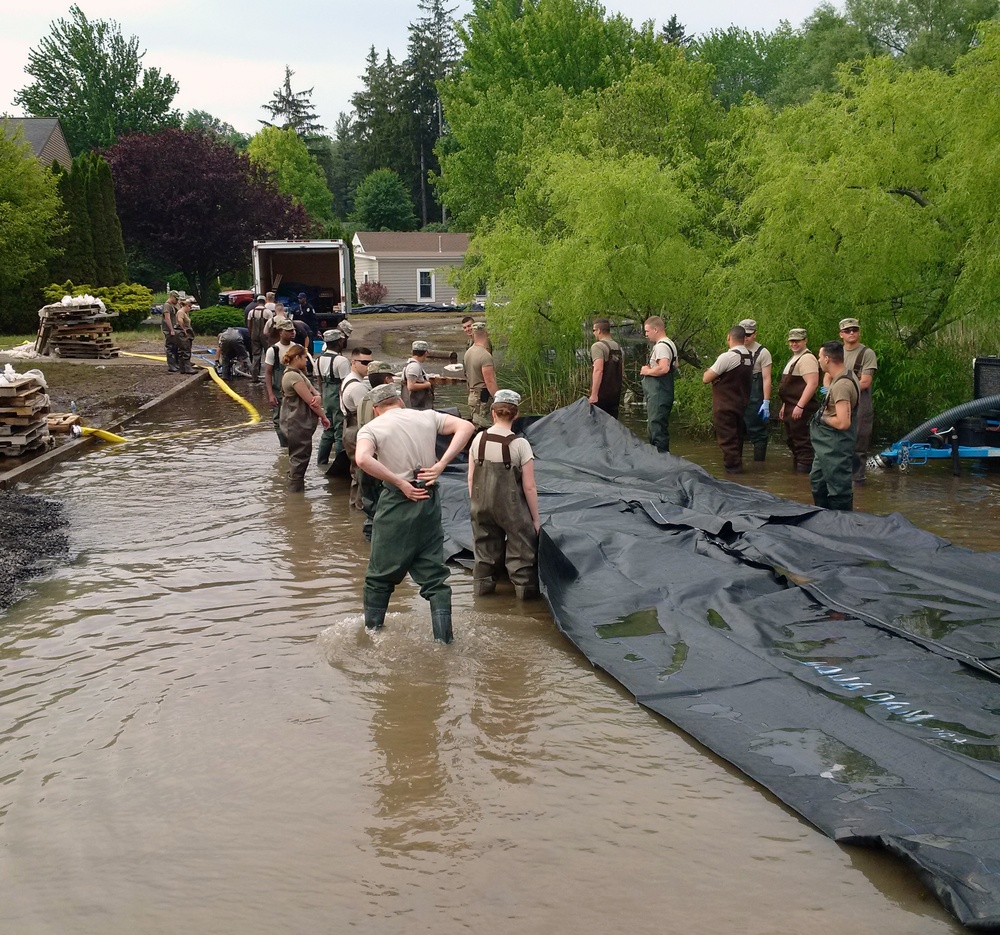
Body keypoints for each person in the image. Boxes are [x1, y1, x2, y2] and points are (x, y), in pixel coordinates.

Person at [354, 382, 476, 643]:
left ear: (376, 409)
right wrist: (442, 464)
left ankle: (371, 636)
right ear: (400, 401)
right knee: (435, 578)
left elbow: (362, 459)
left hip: (399, 501)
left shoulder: (371, 428)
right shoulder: (426, 416)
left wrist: (400, 483)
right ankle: (444, 642)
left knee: (379, 576)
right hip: (430, 499)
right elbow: (466, 427)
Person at [468, 389, 541, 599]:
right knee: (522, 556)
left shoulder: (478, 439)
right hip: (512, 509)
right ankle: (524, 604)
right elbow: (529, 487)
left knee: (483, 555)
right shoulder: (520, 444)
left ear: (493, 413)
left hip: (481, 505)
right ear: (516, 415)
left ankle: (481, 599)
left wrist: (476, 505)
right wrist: (535, 520)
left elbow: (471, 478)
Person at [811, 340, 860, 511]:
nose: (818, 360)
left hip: (837, 444)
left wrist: (823, 418)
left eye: (819, 357)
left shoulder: (842, 385)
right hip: (826, 445)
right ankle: (823, 518)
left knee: (839, 488)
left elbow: (843, 422)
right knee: (818, 481)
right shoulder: (845, 374)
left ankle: (842, 526)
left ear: (826, 359)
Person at [831, 317, 878, 484]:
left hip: (860, 402)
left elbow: (865, 381)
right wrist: (828, 390)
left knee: (859, 442)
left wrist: (842, 388)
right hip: (837, 401)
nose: (851, 333)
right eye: (847, 330)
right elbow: (827, 375)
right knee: (837, 441)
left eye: (854, 330)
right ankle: (838, 479)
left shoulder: (867, 353)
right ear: (841, 334)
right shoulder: (837, 352)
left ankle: (857, 482)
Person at [702, 326, 753, 473]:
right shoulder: (749, 357)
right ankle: (740, 473)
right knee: (737, 440)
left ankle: (733, 475)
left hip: (724, 406)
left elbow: (706, 378)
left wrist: (714, 375)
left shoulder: (727, 357)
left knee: (728, 443)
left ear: (729, 337)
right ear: (744, 339)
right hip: (741, 405)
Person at [279, 344, 330, 492]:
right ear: (297, 357)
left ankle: (294, 492)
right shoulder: (293, 376)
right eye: (305, 358)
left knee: (299, 457)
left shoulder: (298, 373)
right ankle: (295, 495)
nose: (307, 361)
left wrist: (318, 397)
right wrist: (323, 417)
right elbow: (311, 401)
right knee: (299, 459)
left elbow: (314, 394)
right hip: (296, 422)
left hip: (298, 422)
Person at [356, 360, 397, 540]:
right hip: (380, 461)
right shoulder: (385, 404)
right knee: (385, 501)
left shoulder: (363, 400)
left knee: (370, 502)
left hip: (364, 458)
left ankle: (369, 539)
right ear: (387, 379)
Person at [777, 328, 821, 473]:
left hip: (801, 409)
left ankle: (803, 479)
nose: (794, 344)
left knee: (803, 445)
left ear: (805, 340)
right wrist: (785, 405)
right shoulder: (795, 358)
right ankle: (797, 477)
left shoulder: (807, 358)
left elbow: (812, 383)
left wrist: (800, 406)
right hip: (791, 406)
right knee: (793, 442)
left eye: (797, 341)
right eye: (792, 341)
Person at [339, 348, 374, 506]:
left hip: (350, 427)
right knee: (362, 473)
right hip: (356, 429)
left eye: (371, 362)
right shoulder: (358, 387)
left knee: (357, 471)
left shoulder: (350, 379)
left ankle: (356, 506)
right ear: (353, 363)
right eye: (365, 362)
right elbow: (367, 416)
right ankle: (360, 507)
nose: (368, 366)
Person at [640, 316, 677, 452]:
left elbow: (664, 368)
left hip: (659, 393)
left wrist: (647, 371)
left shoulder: (661, 346)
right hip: (664, 391)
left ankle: (660, 460)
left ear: (656, 329)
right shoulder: (670, 344)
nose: (646, 334)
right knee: (658, 426)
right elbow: (674, 365)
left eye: (647, 331)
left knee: (656, 428)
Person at [264, 320, 303, 447]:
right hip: (278, 391)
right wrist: (270, 394)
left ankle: (296, 443)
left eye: (293, 330)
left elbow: (304, 371)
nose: (292, 333)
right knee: (278, 419)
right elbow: (268, 373)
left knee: (296, 417)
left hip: (296, 390)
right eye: (289, 331)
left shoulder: (297, 348)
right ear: (281, 332)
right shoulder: (273, 350)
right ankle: (284, 446)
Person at [316, 329, 351, 466]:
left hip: (325, 396)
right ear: (338, 342)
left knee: (327, 431)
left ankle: (321, 462)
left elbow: (319, 381)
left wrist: (324, 399)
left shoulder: (318, 360)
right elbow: (345, 384)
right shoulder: (341, 361)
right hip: (337, 397)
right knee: (339, 433)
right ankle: (339, 466)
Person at [739, 319, 772, 462]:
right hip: (737, 392)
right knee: (736, 431)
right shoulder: (734, 349)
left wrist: (766, 401)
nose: (745, 338)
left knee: (757, 431)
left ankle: (759, 467)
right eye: (742, 334)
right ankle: (736, 465)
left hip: (755, 394)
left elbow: (766, 378)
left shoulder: (763, 352)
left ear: (755, 334)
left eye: (748, 335)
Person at [464, 322, 498, 428]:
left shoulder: (468, 353)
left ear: (473, 334)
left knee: (476, 427)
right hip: (482, 399)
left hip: (472, 396)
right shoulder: (485, 355)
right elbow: (490, 381)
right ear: (486, 333)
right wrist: (499, 398)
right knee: (485, 428)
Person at [588, 318, 624, 418]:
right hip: (615, 395)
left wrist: (594, 394)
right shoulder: (618, 347)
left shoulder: (598, 346)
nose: (594, 333)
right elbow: (621, 371)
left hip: (601, 396)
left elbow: (598, 370)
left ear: (599, 330)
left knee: (597, 426)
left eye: (594, 330)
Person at [402, 340, 435, 410]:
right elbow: (411, 386)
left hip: (414, 406)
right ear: (426, 353)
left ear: (412, 352)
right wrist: (428, 384)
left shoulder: (410, 364)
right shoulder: (414, 366)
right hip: (417, 407)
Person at [245, 298, 272, 383]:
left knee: (256, 356)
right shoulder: (268, 312)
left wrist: (250, 335)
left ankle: (254, 377)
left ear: (257, 302)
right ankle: (271, 377)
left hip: (254, 335)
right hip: (265, 336)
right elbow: (270, 325)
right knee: (269, 355)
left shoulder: (251, 312)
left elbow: (249, 325)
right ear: (264, 302)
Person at [174, 298, 196, 374]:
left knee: (182, 350)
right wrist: (184, 330)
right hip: (182, 333)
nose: (190, 309)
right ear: (187, 306)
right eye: (190, 307)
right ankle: (187, 368)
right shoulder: (181, 312)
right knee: (185, 349)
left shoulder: (183, 312)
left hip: (182, 333)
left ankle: (182, 368)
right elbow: (180, 320)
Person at [160, 290, 181, 373]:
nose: (177, 301)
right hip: (169, 330)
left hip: (174, 329)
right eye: (176, 299)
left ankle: (176, 364)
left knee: (175, 347)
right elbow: (167, 318)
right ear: (171, 297)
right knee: (170, 347)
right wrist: (171, 330)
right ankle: (171, 365)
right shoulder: (167, 305)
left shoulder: (174, 305)